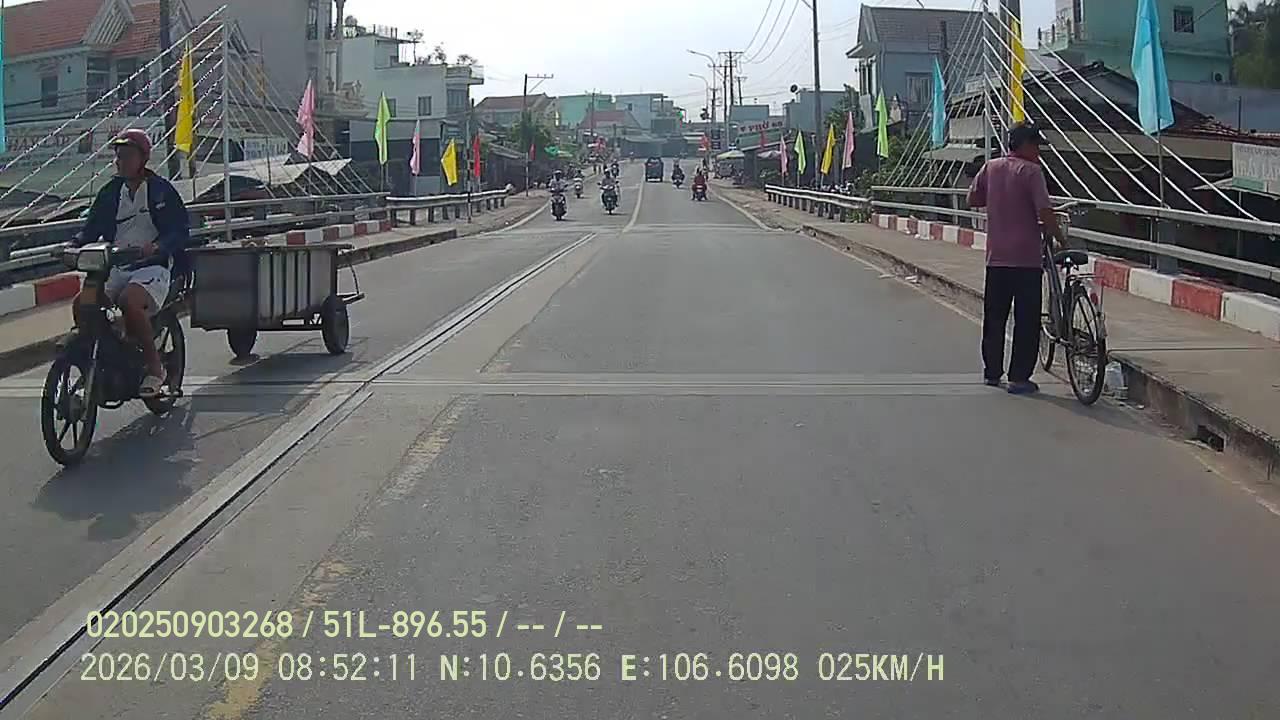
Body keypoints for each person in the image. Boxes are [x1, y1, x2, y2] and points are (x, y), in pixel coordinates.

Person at [74, 129, 190, 397]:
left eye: (127, 155)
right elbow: (90, 229)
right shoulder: (110, 192)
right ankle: (91, 364)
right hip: (116, 267)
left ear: (143, 158)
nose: (120, 161)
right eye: (118, 156)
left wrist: (158, 247)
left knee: (130, 301)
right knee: (82, 303)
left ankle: (155, 368)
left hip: (153, 268)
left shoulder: (161, 190)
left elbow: (180, 230)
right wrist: (72, 245)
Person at [967, 122, 1065, 395]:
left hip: (996, 258)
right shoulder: (1032, 172)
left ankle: (992, 372)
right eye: (1036, 146)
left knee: (994, 318)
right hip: (1026, 260)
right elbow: (1044, 210)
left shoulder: (991, 167)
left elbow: (972, 199)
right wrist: (1059, 237)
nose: (1038, 152)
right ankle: (1019, 377)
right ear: (1025, 145)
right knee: (1026, 320)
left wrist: (999, 199)